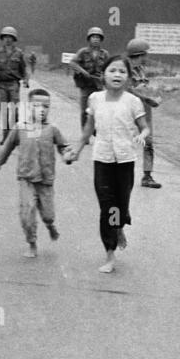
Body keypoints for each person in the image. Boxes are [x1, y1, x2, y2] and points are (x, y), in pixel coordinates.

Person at [66, 56, 150, 273]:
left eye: (122, 71)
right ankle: (110, 252)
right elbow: (87, 130)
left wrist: (142, 135)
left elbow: (145, 127)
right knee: (107, 206)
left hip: (125, 160)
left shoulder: (133, 101)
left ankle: (119, 225)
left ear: (128, 78)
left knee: (120, 205)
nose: (117, 75)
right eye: (112, 70)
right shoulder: (95, 99)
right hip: (102, 159)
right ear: (103, 74)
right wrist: (77, 149)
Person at [0, 88, 71, 258]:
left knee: (48, 214)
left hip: (46, 179)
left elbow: (63, 146)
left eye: (46, 106)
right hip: (26, 178)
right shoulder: (20, 128)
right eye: (36, 106)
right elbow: (7, 148)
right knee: (27, 213)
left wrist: (67, 155)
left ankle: (50, 226)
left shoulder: (52, 129)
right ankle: (32, 242)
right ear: (29, 107)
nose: (41, 110)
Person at [125, 38, 162, 188]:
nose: (147, 57)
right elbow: (128, 89)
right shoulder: (125, 69)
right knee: (125, 142)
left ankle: (147, 176)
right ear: (139, 54)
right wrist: (147, 98)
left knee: (149, 142)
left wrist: (153, 97)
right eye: (145, 54)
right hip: (129, 110)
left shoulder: (141, 70)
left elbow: (144, 88)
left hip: (144, 110)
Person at [0, 26, 30, 145]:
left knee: (15, 111)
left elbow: (24, 69)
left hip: (14, 85)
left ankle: (15, 137)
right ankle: (6, 137)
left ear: (14, 39)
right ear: (2, 39)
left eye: (10, 37)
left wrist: (26, 80)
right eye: (5, 37)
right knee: (4, 111)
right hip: (2, 85)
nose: (7, 39)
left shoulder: (19, 53)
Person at [67, 28, 109, 130]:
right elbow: (72, 63)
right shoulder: (83, 52)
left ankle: (95, 129)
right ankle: (85, 132)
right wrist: (83, 71)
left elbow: (110, 67)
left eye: (98, 37)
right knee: (84, 110)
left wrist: (104, 75)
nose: (95, 39)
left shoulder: (105, 54)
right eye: (93, 37)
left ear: (101, 40)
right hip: (85, 85)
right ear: (89, 39)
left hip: (98, 85)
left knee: (98, 109)